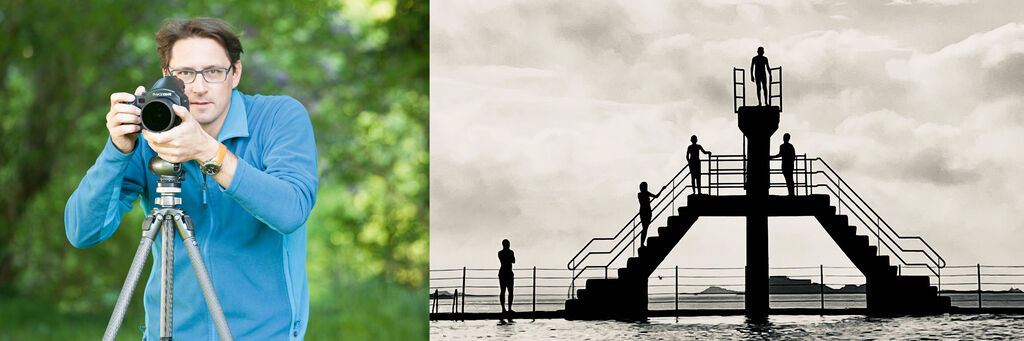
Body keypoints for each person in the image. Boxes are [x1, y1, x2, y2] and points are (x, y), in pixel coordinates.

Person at [64, 18, 318, 340]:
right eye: (184, 74)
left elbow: (291, 211)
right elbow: (82, 231)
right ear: (166, 77)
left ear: (235, 73)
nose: (198, 87)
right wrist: (117, 150)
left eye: (213, 71)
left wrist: (208, 152)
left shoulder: (278, 117)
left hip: (263, 334)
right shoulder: (152, 136)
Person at [637, 182, 667, 248]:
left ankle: (642, 244)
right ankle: (642, 244)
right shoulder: (644, 193)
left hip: (644, 211)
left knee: (645, 228)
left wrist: (662, 189)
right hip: (646, 211)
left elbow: (656, 196)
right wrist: (662, 189)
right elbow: (656, 196)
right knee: (645, 228)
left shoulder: (640, 194)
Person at [498, 239, 516, 314]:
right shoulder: (506, 252)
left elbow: (513, 261)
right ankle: (505, 309)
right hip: (506, 273)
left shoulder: (501, 253)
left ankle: (507, 308)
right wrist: (509, 256)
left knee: (508, 291)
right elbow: (512, 260)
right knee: (504, 291)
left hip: (505, 273)